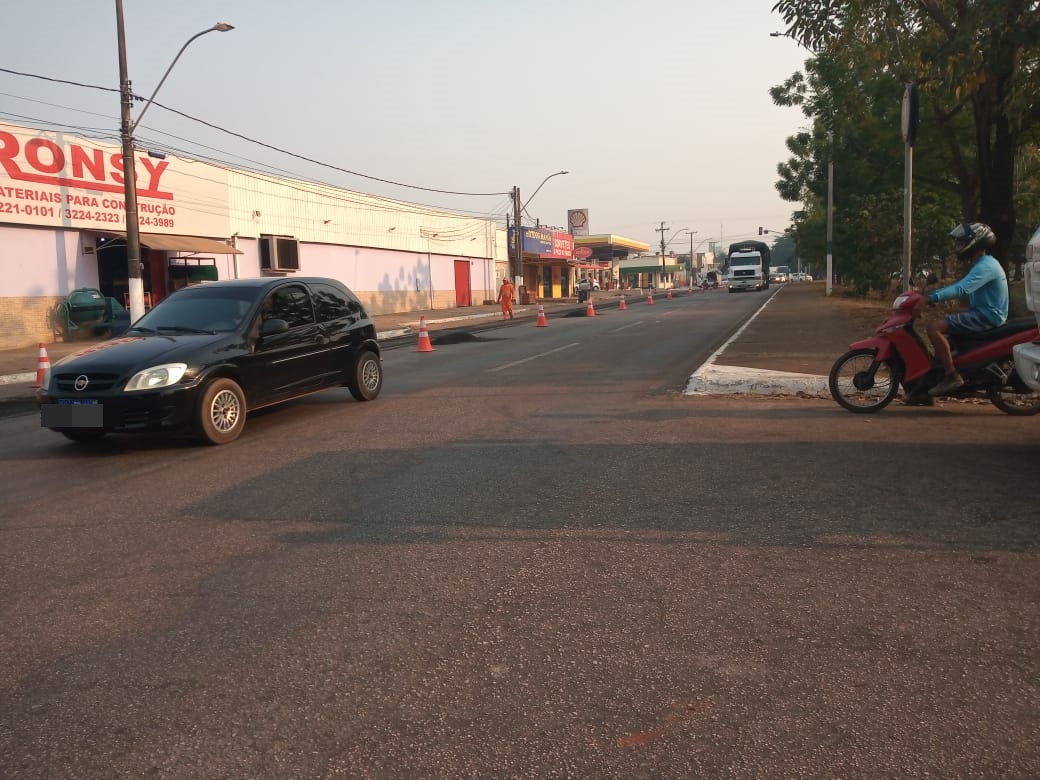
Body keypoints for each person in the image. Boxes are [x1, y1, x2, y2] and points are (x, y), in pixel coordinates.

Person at [920, 222, 1008, 396]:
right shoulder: (982, 264)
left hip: (986, 316)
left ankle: (952, 375)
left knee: (933, 327)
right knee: (946, 328)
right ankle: (940, 374)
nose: (958, 246)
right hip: (981, 313)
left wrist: (931, 297)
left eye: (962, 242)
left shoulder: (986, 266)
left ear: (975, 243)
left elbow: (962, 288)